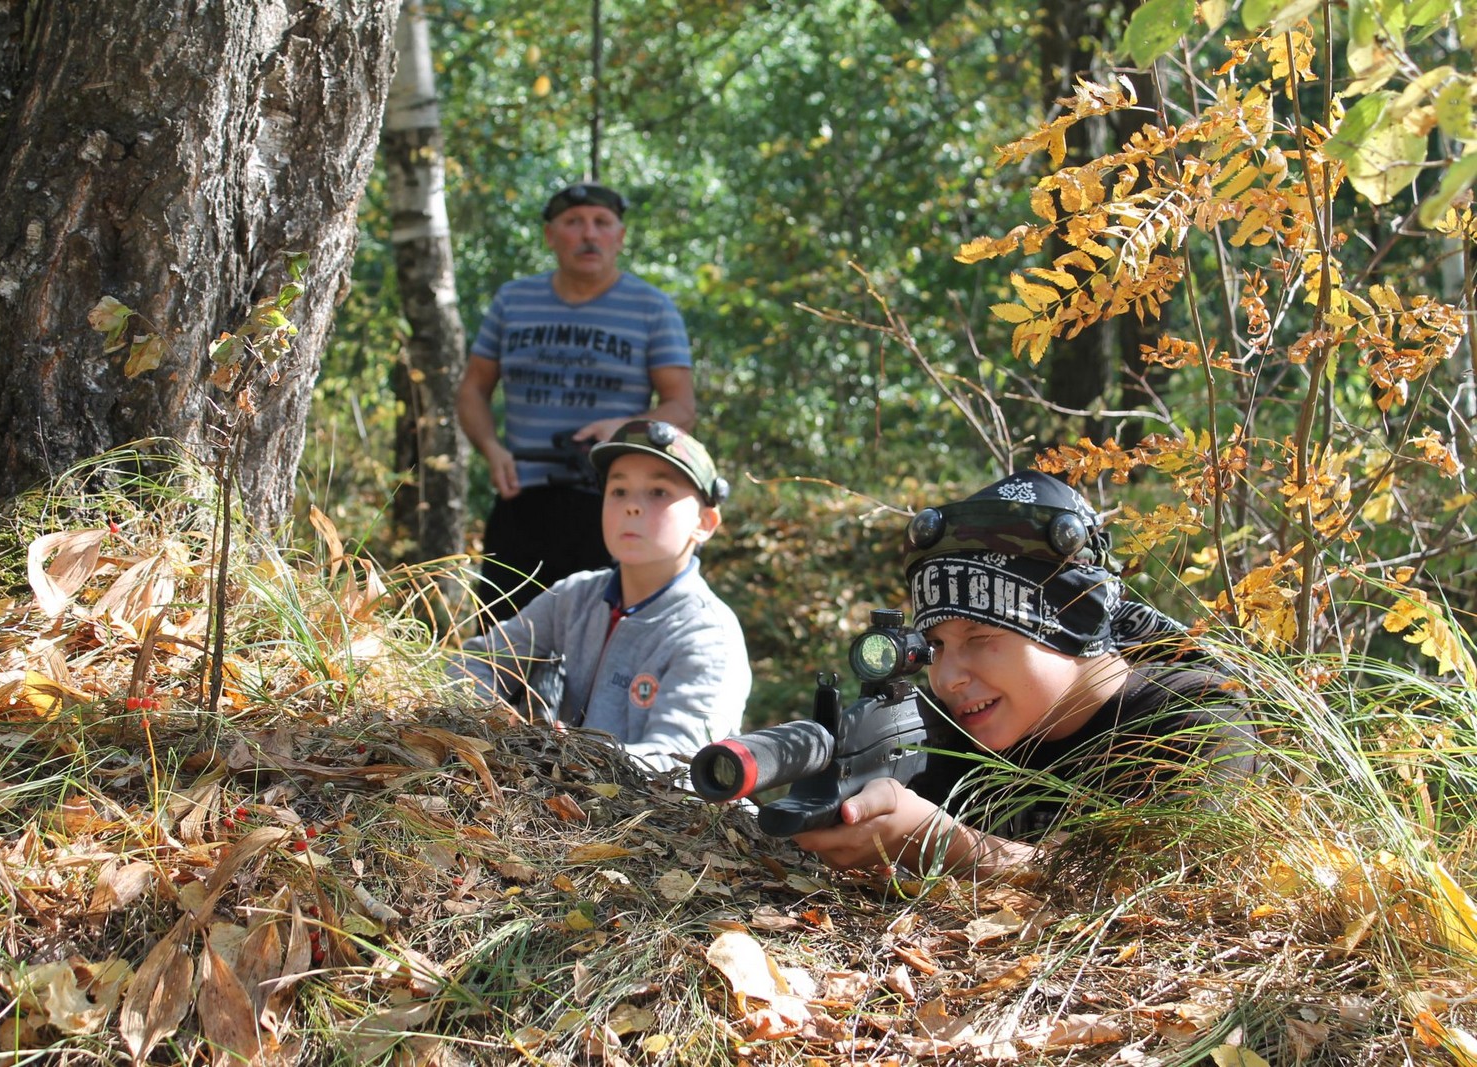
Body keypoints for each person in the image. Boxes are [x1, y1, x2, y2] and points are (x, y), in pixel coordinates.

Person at [793, 469, 1260, 876]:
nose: (947, 677)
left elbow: (1155, 892)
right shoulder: (940, 728)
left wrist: (940, 843)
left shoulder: (1199, 716)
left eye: (979, 638)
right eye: (935, 644)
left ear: (1071, 626)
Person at [447, 420, 749, 774]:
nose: (632, 507)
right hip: (558, 809)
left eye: (658, 492)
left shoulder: (708, 636)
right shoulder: (574, 597)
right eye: (618, 491)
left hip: (655, 826)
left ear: (706, 522)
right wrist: (502, 724)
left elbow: (680, 767)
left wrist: (568, 755)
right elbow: (473, 663)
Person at [457, 180, 696, 622]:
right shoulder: (514, 301)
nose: (589, 234)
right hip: (520, 497)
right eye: (574, 223)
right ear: (550, 235)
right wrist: (492, 450)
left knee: (599, 638)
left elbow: (681, 407)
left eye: (602, 223)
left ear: (620, 237)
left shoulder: (652, 308)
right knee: (503, 640)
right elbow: (472, 388)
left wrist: (622, 430)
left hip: (611, 502)